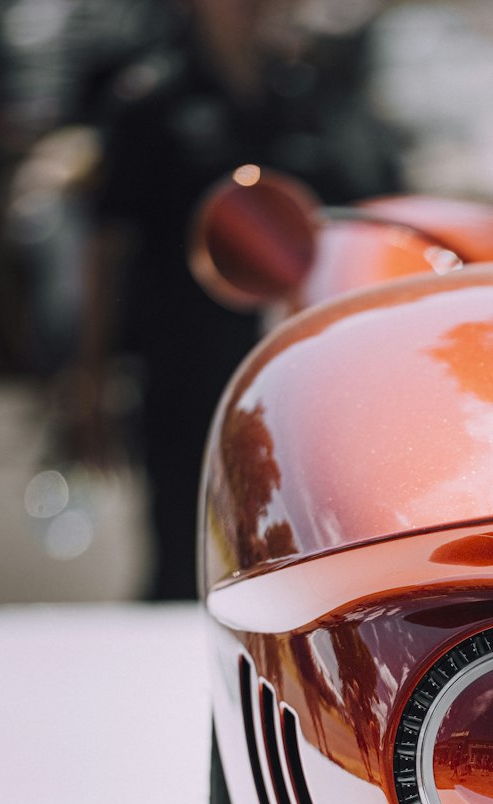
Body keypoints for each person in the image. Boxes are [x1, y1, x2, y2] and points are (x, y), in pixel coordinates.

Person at [74, 0, 400, 600]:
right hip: (184, 359)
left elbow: (365, 209)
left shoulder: (307, 93)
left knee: (291, 542)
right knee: (183, 541)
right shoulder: (150, 99)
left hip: (293, 367)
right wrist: (90, 372)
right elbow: (108, 243)